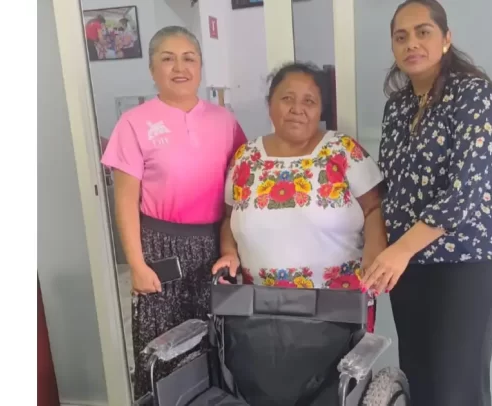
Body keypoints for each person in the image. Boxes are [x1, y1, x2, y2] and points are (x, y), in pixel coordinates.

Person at [360, 1, 492, 405]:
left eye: (423, 32)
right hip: (409, 263)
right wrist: (379, 246)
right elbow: (389, 186)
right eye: (401, 36)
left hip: (467, 259)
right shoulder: (397, 107)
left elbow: (466, 190)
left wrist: (399, 251)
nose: (411, 43)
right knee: (421, 384)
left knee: (455, 390)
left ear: (446, 39)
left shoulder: (473, 94)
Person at [100, 26, 246, 400]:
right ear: (152, 69)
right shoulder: (134, 123)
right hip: (160, 247)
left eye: (188, 58)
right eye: (167, 59)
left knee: (217, 341)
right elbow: (125, 201)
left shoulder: (225, 122)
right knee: (163, 347)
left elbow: (240, 191)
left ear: (200, 66)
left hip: (215, 246)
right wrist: (136, 264)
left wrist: (233, 248)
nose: (179, 67)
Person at [211, 62, 388, 333]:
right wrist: (228, 252)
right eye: (287, 99)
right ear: (270, 104)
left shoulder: (342, 150)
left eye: (309, 101)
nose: (297, 109)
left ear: (320, 110)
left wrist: (374, 256)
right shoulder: (245, 157)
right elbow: (228, 216)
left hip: (339, 307)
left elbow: (375, 207)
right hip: (260, 311)